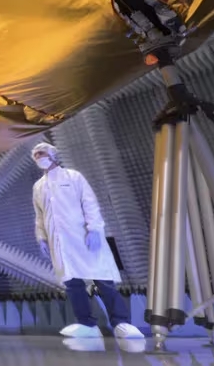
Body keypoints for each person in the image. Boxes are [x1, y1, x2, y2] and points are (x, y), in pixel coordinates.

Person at [31, 142, 144, 339]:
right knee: (73, 284)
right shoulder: (38, 186)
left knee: (103, 280)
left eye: (42, 153)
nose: (39, 157)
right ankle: (87, 324)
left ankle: (121, 322)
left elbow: (89, 203)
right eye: (36, 155)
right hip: (60, 243)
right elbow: (39, 216)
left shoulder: (73, 177)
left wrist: (94, 229)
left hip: (83, 237)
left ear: (53, 155)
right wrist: (41, 237)